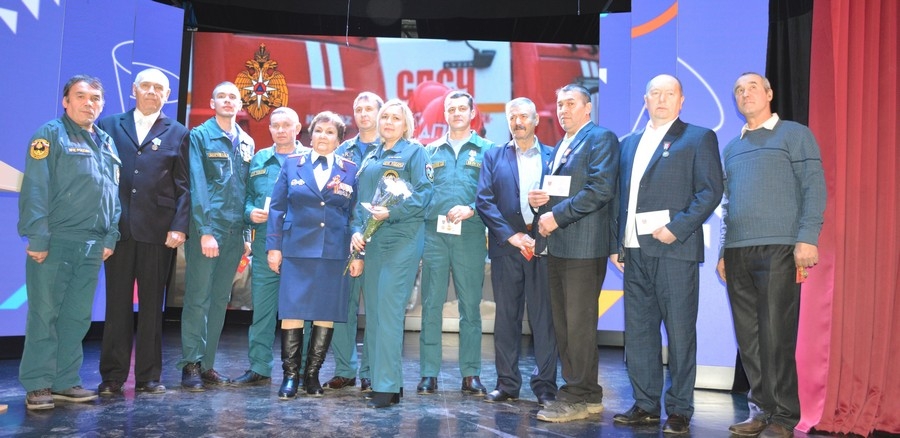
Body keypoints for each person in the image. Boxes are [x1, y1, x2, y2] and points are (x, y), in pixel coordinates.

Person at [609, 74, 724, 434]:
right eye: (654, 93)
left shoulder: (699, 137)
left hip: (674, 250)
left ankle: (679, 409)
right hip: (634, 252)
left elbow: (710, 192)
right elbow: (620, 197)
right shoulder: (628, 143)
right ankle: (645, 404)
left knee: (679, 332)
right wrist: (616, 244)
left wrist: (677, 227)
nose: (661, 99)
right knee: (639, 333)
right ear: (645, 100)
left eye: (669, 93)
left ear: (681, 100)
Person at [716, 72, 825, 438]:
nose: (745, 93)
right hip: (738, 252)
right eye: (738, 89)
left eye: (752, 87)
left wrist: (807, 238)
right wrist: (723, 251)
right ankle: (760, 410)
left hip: (780, 248)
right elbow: (728, 204)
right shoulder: (732, 148)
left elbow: (813, 187)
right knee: (748, 338)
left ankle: (783, 416)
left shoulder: (795, 135)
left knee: (776, 334)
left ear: (769, 94)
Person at [18, 75, 121, 410]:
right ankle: (38, 383)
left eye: (95, 98)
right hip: (56, 241)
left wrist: (110, 235)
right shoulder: (49, 135)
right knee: (45, 315)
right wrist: (38, 236)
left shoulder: (106, 142)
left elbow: (112, 194)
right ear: (66, 101)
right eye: (80, 96)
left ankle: (64, 381)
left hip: (92, 245)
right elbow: (36, 189)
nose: (89, 103)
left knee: (77, 317)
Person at [95, 68, 190, 396]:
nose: (152, 91)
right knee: (116, 305)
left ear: (167, 95)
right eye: (146, 86)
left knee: (152, 307)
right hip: (118, 230)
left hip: (158, 231)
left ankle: (149, 376)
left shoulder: (178, 132)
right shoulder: (109, 125)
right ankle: (112, 376)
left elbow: (184, 185)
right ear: (134, 90)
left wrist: (179, 226)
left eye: (159, 88)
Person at [533, 84, 619, 423]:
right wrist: (542, 200)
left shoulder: (600, 138)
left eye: (571, 103)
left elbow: (600, 189)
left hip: (583, 246)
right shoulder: (562, 145)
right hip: (559, 246)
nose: (563, 110)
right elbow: (566, 189)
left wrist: (556, 215)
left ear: (587, 108)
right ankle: (586, 394)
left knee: (578, 325)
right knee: (566, 325)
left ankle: (577, 395)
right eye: (559, 104)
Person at [267, 111, 360, 398]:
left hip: (334, 251)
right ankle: (290, 376)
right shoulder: (292, 164)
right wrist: (274, 247)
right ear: (310, 135)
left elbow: (355, 214)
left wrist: (358, 254)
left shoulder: (351, 169)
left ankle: (312, 376)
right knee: (292, 310)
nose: (323, 136)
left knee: (325, 312)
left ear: (339, 140)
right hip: (296, 249)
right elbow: (277, 208)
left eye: (330, 132)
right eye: (319, 130)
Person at [475, 97, 558, 406]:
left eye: (524, 116)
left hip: (543, 245)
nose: (518, 122)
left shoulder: (554, 156)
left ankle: (545, 386)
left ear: (536, 120)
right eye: (512, 117)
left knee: (543, 319)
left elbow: (563, 198)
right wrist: (512, 236)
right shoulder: (493, 156)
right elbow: (484, 200)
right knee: (506, 318)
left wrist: (539, 234)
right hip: (507, 248)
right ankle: (507, 383)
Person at [351, 99, 433, 408]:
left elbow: (424, 195)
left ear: (406, 124)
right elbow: (359, 201)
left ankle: (384, 388)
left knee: (388, 311)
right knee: (374, 313)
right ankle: (388, 382)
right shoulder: (371, 155)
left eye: (396, 118)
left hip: (402, 238)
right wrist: (357, 230)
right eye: (384, 116)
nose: (388, 122)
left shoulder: (415, 152)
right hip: (372, 241)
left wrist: (392, 212)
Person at [178, 81, 254, 391]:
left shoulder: (247, 142)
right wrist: (206, 232)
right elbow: (197, 185)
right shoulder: (199, 136)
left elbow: (247, 190)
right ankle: (191, 363)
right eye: (221, 96)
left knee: (220, 300)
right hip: (209, 230)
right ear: (212, 103)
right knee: (198, 298)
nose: (227, 101)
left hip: (235, 233)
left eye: (233, 97)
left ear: (240, 105)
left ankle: (207, 364)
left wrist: (247, 234)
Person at [418, 91, 492, 396]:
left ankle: (471, 374)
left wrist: (472, 208)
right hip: (434, 236)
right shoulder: (429, 150)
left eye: (463, 108)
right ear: (445, 114)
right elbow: (421, 193)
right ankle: (428, 373)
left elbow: (494, 192)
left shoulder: (488, 150)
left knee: (470, 307)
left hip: (470, 235)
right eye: (452, 109)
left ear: (473, 113)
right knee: (431, 305)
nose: (457, 113)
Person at [232, 107, 310, 388]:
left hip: (302, 245)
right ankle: (259, 367)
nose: (280, 130)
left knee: (301, 312)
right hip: (266, 243)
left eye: (286, 125)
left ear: (297, 128)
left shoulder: (311, 159)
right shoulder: (259, 159)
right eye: (275, 125)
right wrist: (250, 213)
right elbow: (245, 198)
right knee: (262, 311)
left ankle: (302, 370)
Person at [323, 92, 383, 393]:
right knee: (342, 306)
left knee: (374, 307)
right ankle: (344, 370)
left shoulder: (390, 148)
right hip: (345, 239)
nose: (363, 114)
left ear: (380, 113)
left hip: (380, 237)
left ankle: (370, 370)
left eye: (369, 108)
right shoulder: (343, 150)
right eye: (358, 109)